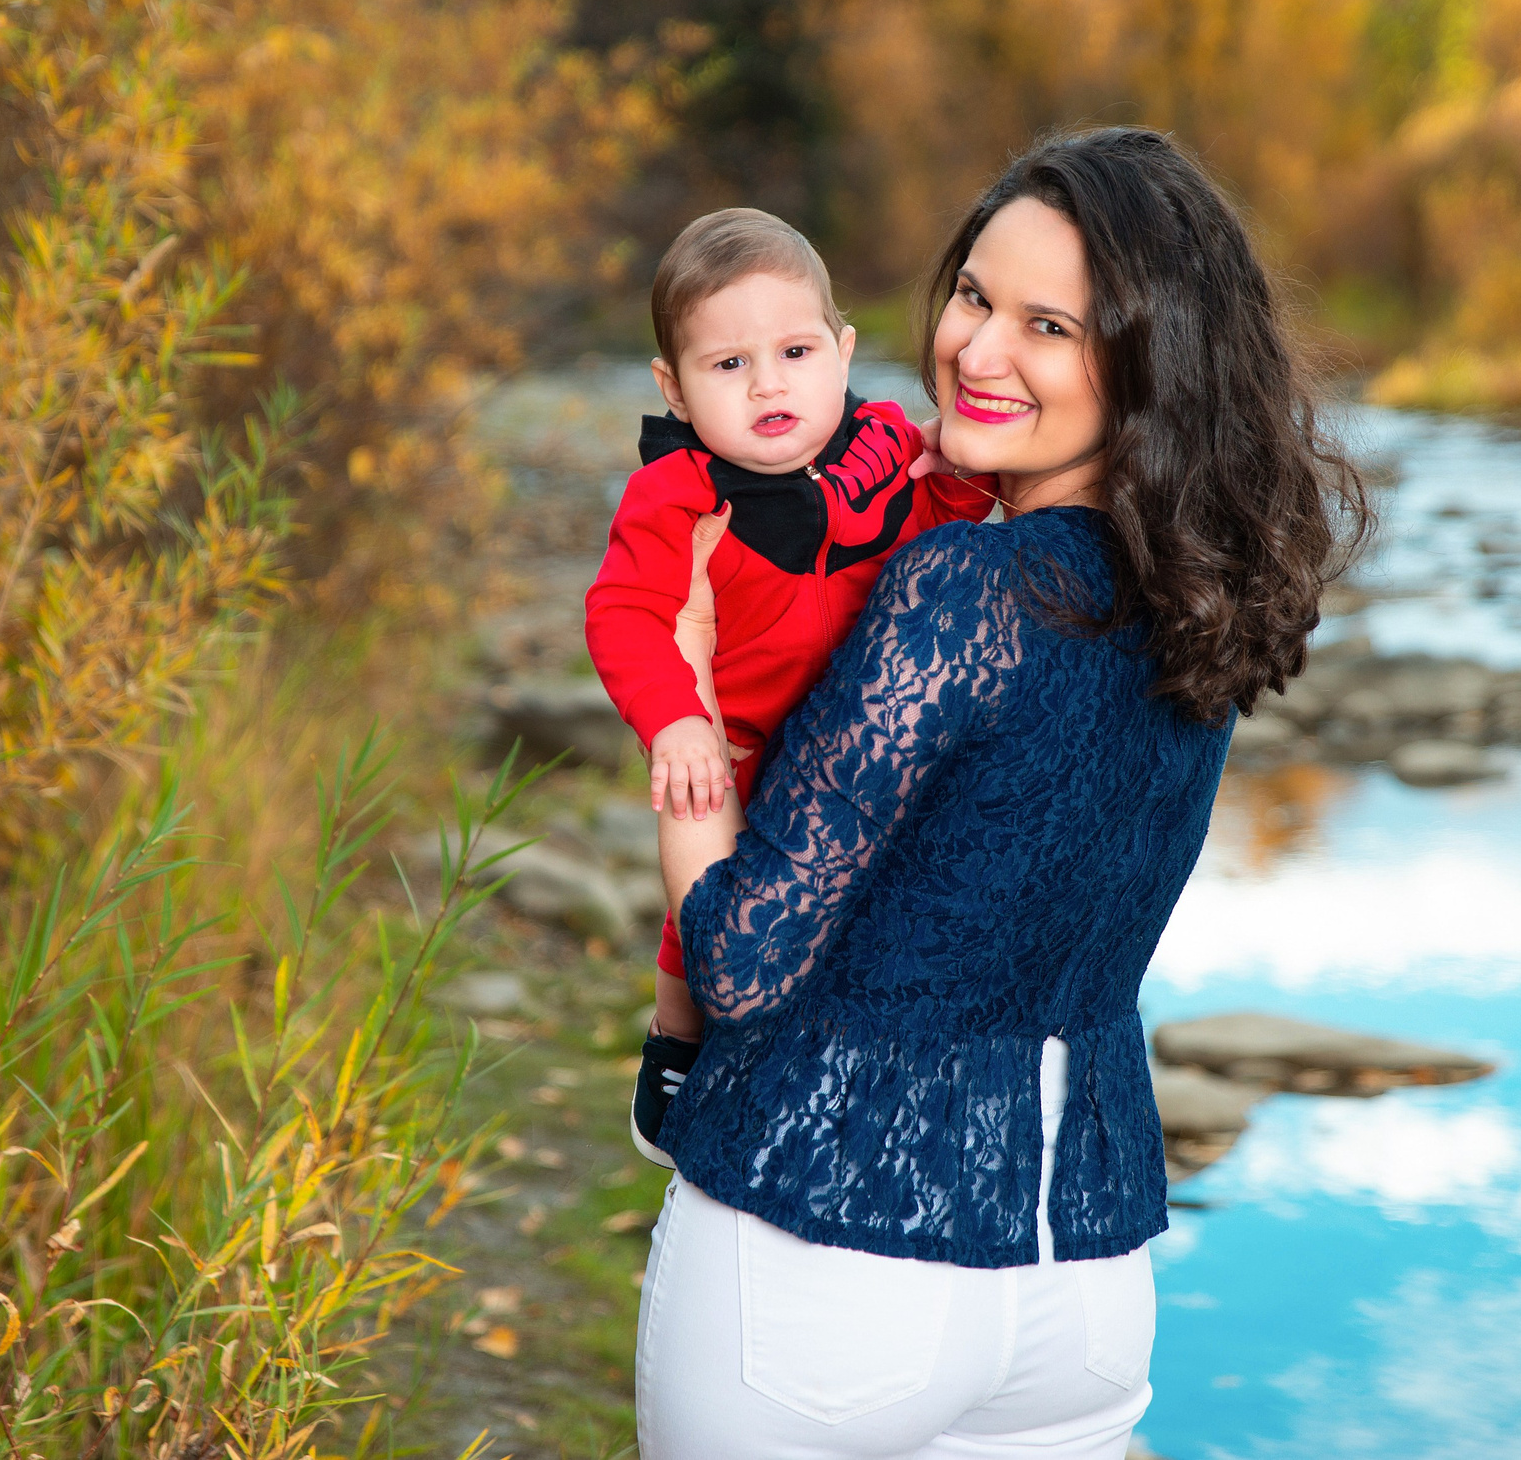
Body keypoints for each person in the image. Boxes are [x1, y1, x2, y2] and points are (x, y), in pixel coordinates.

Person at [635, 128, 1366, 1459]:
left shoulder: (965, 592)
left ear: (1147, 364)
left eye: (1048, 325)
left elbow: (741, 957)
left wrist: (683, 701)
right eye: (974, 295)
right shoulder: (1201, 598)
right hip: (1080, 1289)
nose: (976, 350)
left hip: (828, 1262)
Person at [584, 207, 997, 1165]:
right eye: (727, 365)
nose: (769, 381)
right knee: (708, 904)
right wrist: (676, 719)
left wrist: (964, 470)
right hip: (743, 742)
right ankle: (675, 1041)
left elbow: (953, 515)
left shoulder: (886, 444)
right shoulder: (676, 494)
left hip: (862, 745)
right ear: (675, 390)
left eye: (796, 350)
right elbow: (624, 614)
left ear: (843, 353)